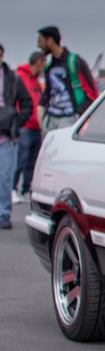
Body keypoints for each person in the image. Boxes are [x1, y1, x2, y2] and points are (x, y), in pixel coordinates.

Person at [36, 25, 98, 133]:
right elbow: (47, 93)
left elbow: (92, 93)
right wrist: (43, 117)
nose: (39, 45)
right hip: (51, 121)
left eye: (40, 41)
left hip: (70, 119)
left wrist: (78, 115)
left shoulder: (75, 62)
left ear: (50, 41)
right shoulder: (49, 66)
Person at [0, 43, 34, 229]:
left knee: (5, 177)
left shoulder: (13, 79)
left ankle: (3, 214)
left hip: (6, 136)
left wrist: (16, 122)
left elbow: (27, 103)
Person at [12, 51, 46, 203]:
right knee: (20, 160)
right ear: (39, 62)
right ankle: (12, 189)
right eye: (43, 63)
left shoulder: (36, 80)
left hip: (35, 126)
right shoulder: (20, 77)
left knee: (32, 161)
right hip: (24, 126)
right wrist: (18, 121)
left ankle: (26, 189)